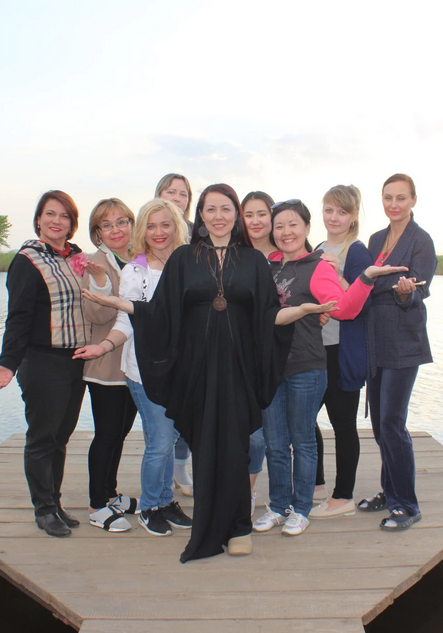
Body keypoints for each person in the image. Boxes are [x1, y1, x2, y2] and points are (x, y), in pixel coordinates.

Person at [83, 184, 333, 561]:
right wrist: (120, 303)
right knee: (204, 448)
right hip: (197, 370)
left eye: (226, 208)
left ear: (235, 215)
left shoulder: (253, 261)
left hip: (239, 370)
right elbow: (161, 312)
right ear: (200, 215)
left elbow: (268, 316)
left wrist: (300, 311)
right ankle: (207, 526)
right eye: (210, 209)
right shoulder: (184, 259)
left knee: (236, 447)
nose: (218, 216)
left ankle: (239, 527)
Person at [253, 199, 407, 537]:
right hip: (271, 367)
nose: (286, 232)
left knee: (303, 441)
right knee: (275, 443)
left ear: (307, 228)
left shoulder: (318, 266)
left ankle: (301, 509)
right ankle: (278, 506)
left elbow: (345, 309)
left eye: (293, 224)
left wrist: (365, 278)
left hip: (307, 365)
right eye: (279, 226)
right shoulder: (267, 267)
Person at [76, 198, 194, 536]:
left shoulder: (189, 264)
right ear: (143, 230)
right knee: (160, 441)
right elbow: (126, 321)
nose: (158, 232)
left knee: (171, 438)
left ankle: (166, 501)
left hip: (180, 373)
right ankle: (151, 506)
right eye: (151, 226)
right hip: (144, 372)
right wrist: (103, 346)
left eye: (165, 224)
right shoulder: (135, 271)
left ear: (176, 226)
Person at [0, 190, 90, 538]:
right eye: (50, 214)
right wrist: (8, 363)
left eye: (64, 216)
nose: (57, 221)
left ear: (72, 223)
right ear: (39, 220)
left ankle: (55, 503)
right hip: (42, 361)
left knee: (61, 436)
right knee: (43, 437)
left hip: (74, 361)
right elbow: (18, 317)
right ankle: (43, 510)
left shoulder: (76, 257)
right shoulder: (27, 260)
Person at [357, 173, 437, 531]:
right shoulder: (376, 239)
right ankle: (390, 493)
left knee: (392, 422)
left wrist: (404, 291)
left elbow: (419, 288)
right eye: (388, 197)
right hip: (376, 338)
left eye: (401, 198)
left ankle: (407, 504)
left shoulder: (422, 240)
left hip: (404, 340)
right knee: (379, 424)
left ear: (413, 201)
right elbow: (366, 281)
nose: (394, 204)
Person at [309, 185, 373, 519]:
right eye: (329, 210)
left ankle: (343, 496)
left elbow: (363, 304)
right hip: (316, 349)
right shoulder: (318, 248)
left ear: (353, 216)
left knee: (343, 424)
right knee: (304, 418)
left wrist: (338, 275)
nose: (334, 217)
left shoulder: (357, 252)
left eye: (342, 212)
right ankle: (317, 483)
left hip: (341, 352)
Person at [80, 198, 138, 532]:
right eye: (106, 224)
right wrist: (101, 282)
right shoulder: (95, 264)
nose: (115, 230)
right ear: (97, 232)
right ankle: (96, 505)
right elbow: (97, 315)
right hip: (106, 366)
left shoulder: (138, 257)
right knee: (106, 434)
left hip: (134, 365)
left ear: (131, 224)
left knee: (121, 433)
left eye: (121, 222)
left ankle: (110, 493)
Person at [154, 173, 195, 495]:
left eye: (183, 194)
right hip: (157, 339)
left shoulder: (196, 234)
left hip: (191, 335)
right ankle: (162, 475)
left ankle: (181, 467)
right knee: (160, 415)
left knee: (189, 408)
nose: (177, 199)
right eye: (171, 192)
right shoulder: (150, 231)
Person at [240, 190, 277, 514]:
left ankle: (249, 491)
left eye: (261, 214)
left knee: (261, 433)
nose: (255, 221)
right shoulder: (232, 254)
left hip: (275, 355)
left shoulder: (287, 254)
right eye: (248, 214)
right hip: (236, 354)